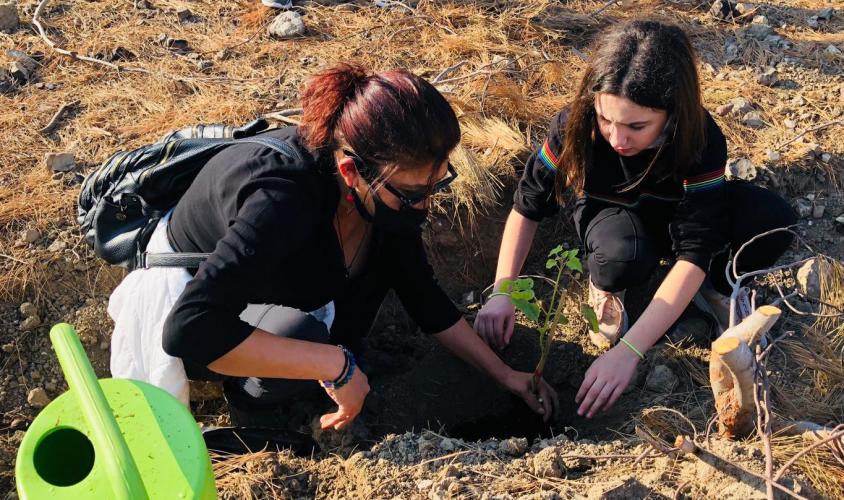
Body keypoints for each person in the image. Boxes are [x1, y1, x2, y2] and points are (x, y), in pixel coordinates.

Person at [108, 64, 555, 431]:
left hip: (273, 285)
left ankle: (309, 366)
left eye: (435, 184)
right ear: (349, 171)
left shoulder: (384, 200)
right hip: (193, 297)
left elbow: (423, 296)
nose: (426, 202)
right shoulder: (282, 196)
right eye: (414, 191)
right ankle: (256, 406)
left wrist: (502, 374)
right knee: (299, 336)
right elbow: (191, 328)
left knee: (377, 269)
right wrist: (334, 364)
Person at [474, 20, 795, 420]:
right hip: (612, 216)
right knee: (621, 257)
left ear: (673, 112)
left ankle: (713, 288)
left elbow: (696, 243)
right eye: (607, 119)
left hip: (678, 213)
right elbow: (528, 206)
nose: (617, 138)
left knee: (775, 220)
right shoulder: (573, 125)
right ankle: (610, 285)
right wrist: (504, 291)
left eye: (636, 126)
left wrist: (630, 351)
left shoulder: (700, 138)